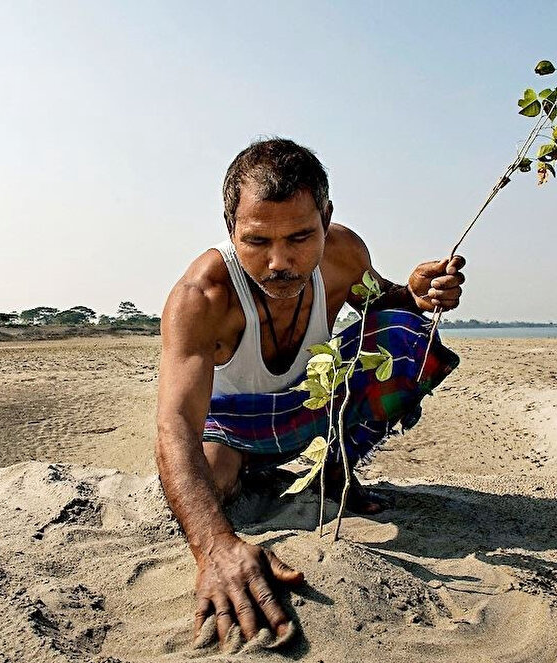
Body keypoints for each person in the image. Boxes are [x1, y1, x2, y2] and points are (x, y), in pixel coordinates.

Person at [155, 138, 465, 648]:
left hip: (311, 408)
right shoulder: (202, 296)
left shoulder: (344, 253)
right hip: (229, 425)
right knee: (210, 482)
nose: (280, 262)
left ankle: (334, 473)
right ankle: (252, 471)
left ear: (326, 217)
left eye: (300, 237)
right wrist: (215, 547)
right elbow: (174, 425)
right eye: (256, 242)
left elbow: (383, 300)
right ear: (230, 227)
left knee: (406, 331)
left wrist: (415, 293)